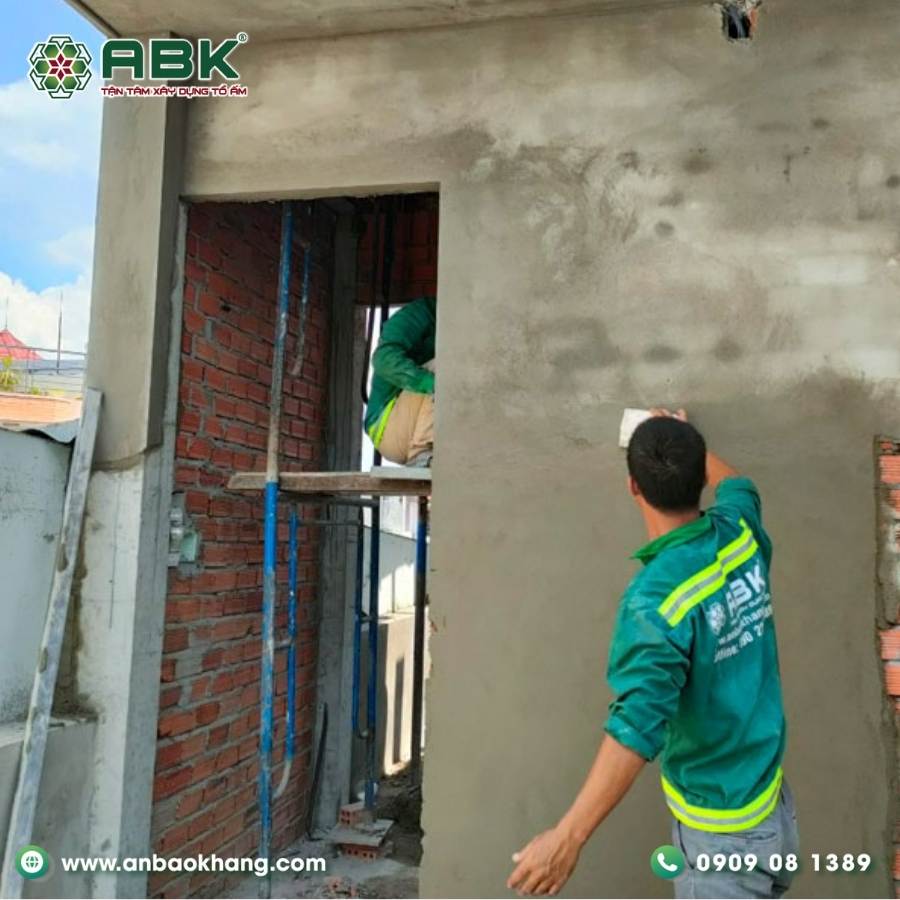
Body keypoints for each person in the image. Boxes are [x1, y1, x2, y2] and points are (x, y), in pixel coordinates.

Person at [507, 409, 797, 899]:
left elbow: (637, 725)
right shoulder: (739, 532)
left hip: (721, 839)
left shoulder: (655, 601)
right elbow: (738, 484)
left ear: (633, 487)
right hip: (773, 808)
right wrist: (687, 443)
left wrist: (568, 837)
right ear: (699, 477)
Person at [365, 296, 436, 467]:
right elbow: (383, 360)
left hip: (418, 427)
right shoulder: (420, 314)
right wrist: (430, 384)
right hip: (387, 428)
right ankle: (421, 453)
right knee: (448, 369)